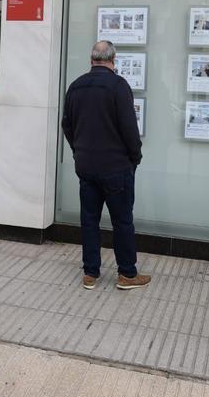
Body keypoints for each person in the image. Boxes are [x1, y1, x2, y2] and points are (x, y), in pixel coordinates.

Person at [61, 40, 151, 290]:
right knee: (122, 221)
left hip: (86, 167)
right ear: (113, 60)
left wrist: (78, 151)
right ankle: (127, 274)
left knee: (89, 220)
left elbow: (67, 125)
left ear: (91, 60)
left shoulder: (76, 86)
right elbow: (129, 129)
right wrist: (135, 157)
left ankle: (90, 273)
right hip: (115, 167)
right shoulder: (118, 86)